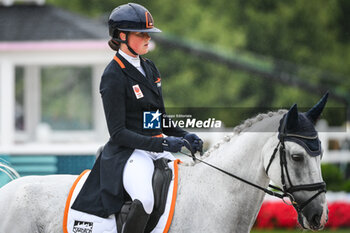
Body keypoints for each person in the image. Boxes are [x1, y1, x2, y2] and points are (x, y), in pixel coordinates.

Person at [72, 3, 203, 233]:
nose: (147, 39)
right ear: (122, 36)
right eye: (141, 34)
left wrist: (184, 136)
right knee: (146, 199)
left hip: (155, 146)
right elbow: (119, 133)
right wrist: (164, 142)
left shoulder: (150, 68)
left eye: (148, 34)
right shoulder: (113, 75)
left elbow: (158, 119)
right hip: (129, 153)